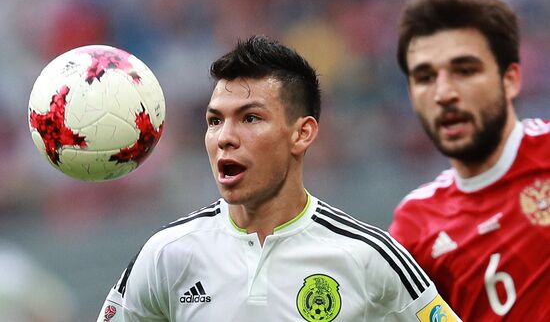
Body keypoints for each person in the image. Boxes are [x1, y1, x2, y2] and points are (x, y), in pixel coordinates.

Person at [97, 35, 459, 321]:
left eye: (250, 118)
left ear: (302, 134)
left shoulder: (368, 256)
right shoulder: (167, 254)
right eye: (215, 120)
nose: (225, 136)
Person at [389, 0, 550, 321]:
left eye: (464, 71)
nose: (444, 93)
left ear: (510, 80)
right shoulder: (414, 227)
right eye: (425, 77)